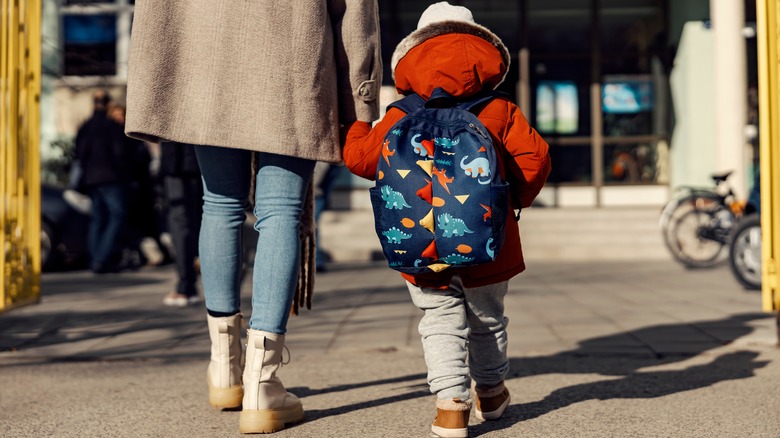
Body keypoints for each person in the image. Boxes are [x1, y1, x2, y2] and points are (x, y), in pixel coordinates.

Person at [124, 1, 381, 434]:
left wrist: (157, 73)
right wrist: (362, 94)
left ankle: (224, 369)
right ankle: (261, 382)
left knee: (219, 204)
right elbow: (355, 11)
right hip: (293, 62)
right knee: (280, 211)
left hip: (207, 63)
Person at [342, 3, 551, 437]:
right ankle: (491, 394)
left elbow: (361, 160)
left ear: (412, 58)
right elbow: (535, 160)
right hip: (489, 236)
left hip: (419, 240)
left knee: (438, 318)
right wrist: (515, 201)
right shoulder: (499, 110)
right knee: (488, 316)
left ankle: (450, 406)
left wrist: (357, 127)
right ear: (483, 53)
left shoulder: (401, 113)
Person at [73, 90, 132, 274]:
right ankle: (101, 258)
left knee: (97, 219)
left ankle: (96, 259)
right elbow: (120, 153)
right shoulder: (111, 127)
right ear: (107, 104)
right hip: (111, 178)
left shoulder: (86, 127)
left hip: (91, 179)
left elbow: (79, 154)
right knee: (117, 216)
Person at [158, 141, 204, 307]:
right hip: (205, 156)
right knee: (209, 215)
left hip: (178, 162)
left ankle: (186, 285)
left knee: (180, 221)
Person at [312, 162, 341, 272]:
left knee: (311, 225)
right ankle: (316, 260)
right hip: (316, 191)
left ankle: (316, 260)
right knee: (312, 225)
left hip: (314, 192)